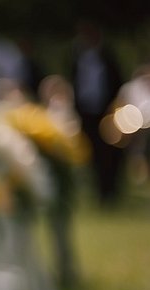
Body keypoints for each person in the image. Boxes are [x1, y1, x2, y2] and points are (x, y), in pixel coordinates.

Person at [71, 21, 126, 205]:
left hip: (106, 111)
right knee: (92, 153)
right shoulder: (77, 57)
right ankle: (99, 192)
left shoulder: (107, 57)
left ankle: (111, 191)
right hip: (86, 112)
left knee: (109, 153)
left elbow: (117, 82)